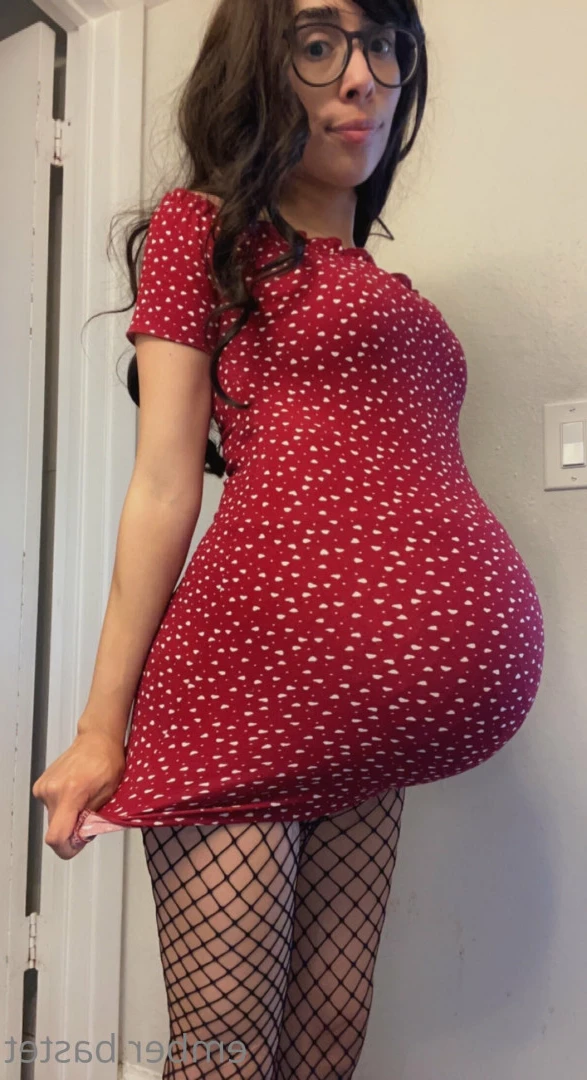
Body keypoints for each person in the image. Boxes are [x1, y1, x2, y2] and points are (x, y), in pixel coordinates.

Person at [32, 0, 545, 1077]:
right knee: (224, 1059)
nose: (363, 77)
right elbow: (164, 484)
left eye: (384, 46)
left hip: (359, 735)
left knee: (324, 1048)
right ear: (257, 72)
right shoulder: (206, 233)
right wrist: (98, 728)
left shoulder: (380, 284)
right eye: (319, 45)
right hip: (243, 695)